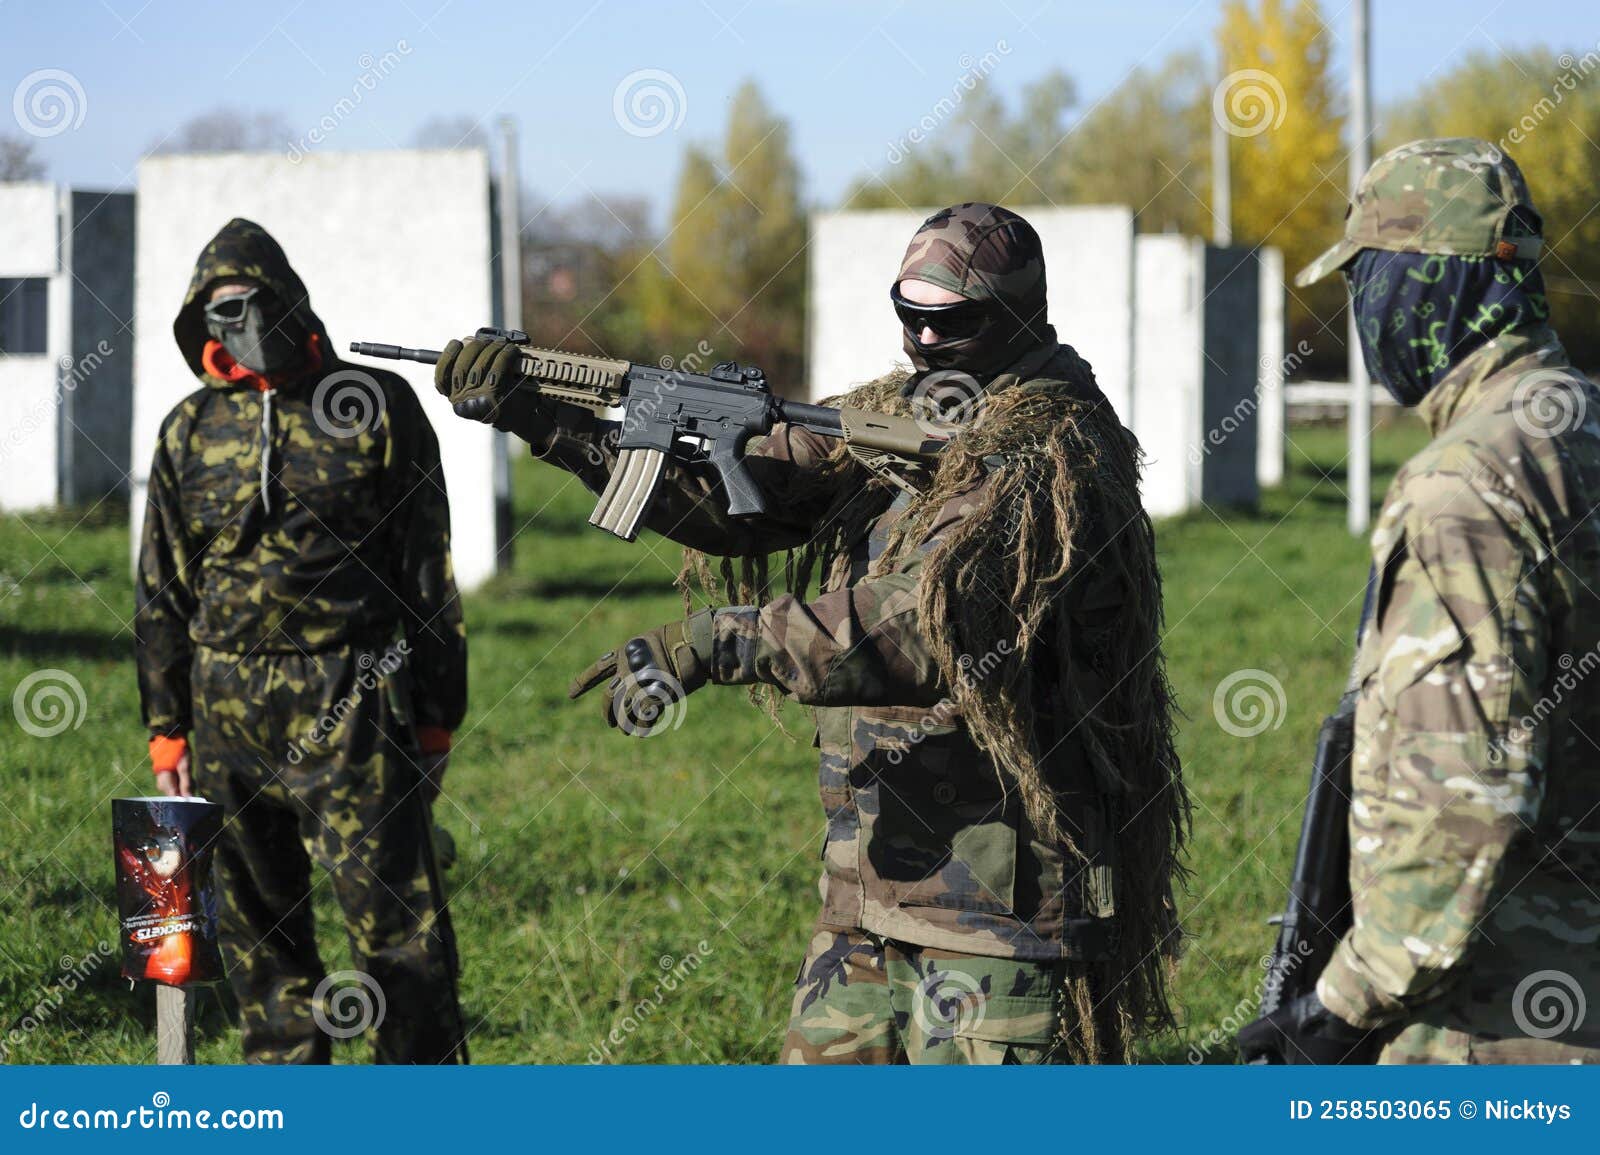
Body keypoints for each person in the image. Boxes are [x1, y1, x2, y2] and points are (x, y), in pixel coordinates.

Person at [437, 203, 1188, 1063]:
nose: (923, 343)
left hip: (1001, 905)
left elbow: (920, 627)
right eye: (909, 317)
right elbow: (737, 501)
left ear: (1020, 312)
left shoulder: (1052, 448)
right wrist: (550, 421)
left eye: (952, 322)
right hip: (871, 883)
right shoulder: (900, 416)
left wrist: (720, 640)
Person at [1240, 139, 1600, 1064]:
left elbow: (1465, 797)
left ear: (1432, 288)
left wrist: (1337, 1010)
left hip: (1500, 1023)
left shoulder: (1469, 482)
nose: (1365, 315)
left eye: (1373, 281)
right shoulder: (1578, 426)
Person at [135, 218, 469, 1064]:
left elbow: (428, 573)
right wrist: (166, 725)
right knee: (260, 943)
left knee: (399, 933)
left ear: (289, 300)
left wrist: (434, 721)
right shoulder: (186, 431)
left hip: (350, 701)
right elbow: (161, 591)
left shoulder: (376, 406)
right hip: (224, 714)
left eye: (250, 303)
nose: (236, 323)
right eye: (215, 312)